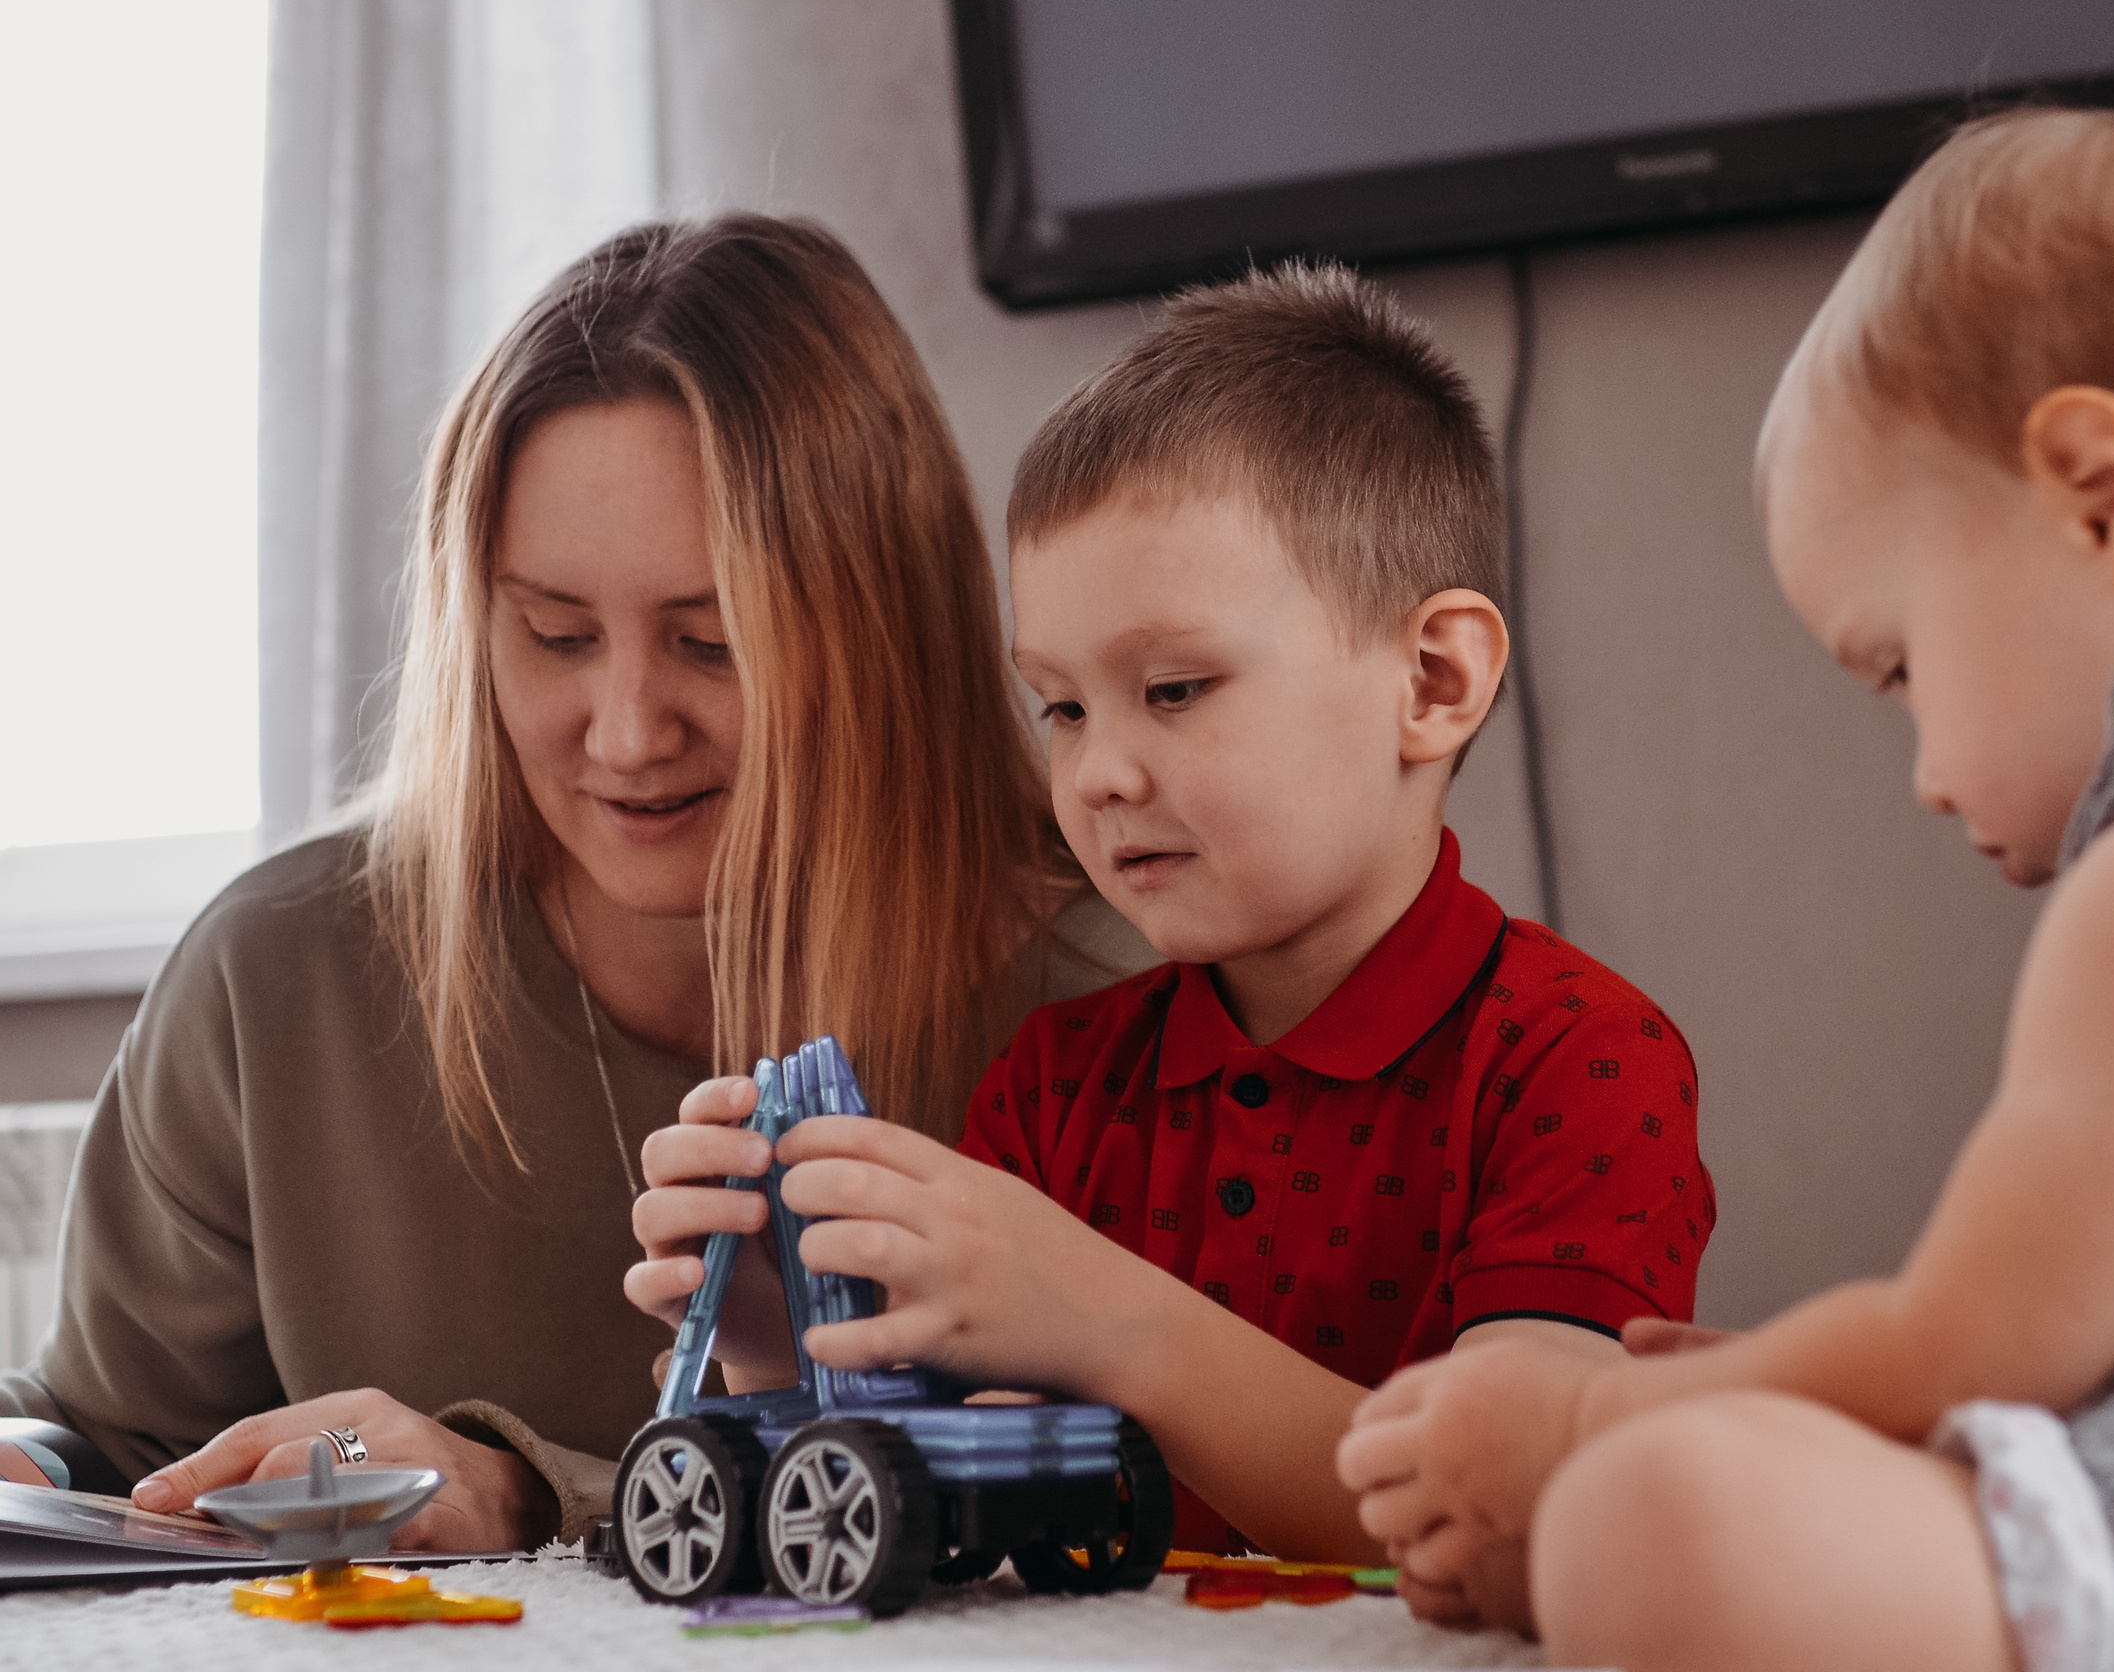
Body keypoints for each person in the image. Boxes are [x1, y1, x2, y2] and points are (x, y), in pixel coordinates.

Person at [1335, 106, 2114, 1672]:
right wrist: (1790, 1383)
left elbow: (1985, 1343)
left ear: (2100, 496)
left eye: (1899, 664)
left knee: (1654, 1512)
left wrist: (1585, 1413)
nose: (1920, 767)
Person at [0, 215, 1151, 1552]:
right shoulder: (278, 976)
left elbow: (1218, 1512)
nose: (624, 732)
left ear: (883, 629)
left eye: (712, 644)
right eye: (554, 636)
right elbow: (108, 1447)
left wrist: (529, 1491)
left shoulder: (1130, 988)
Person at [630, 261, 1714, 1561]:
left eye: (1177, 689)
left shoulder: (1579, 1064)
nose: (1099, 774)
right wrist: (779, 1337)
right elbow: (969, 1519)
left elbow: (1512, 1525)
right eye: (1065, 706)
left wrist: (1109, 1321)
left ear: (1432, 680)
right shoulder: (1054, 1088)